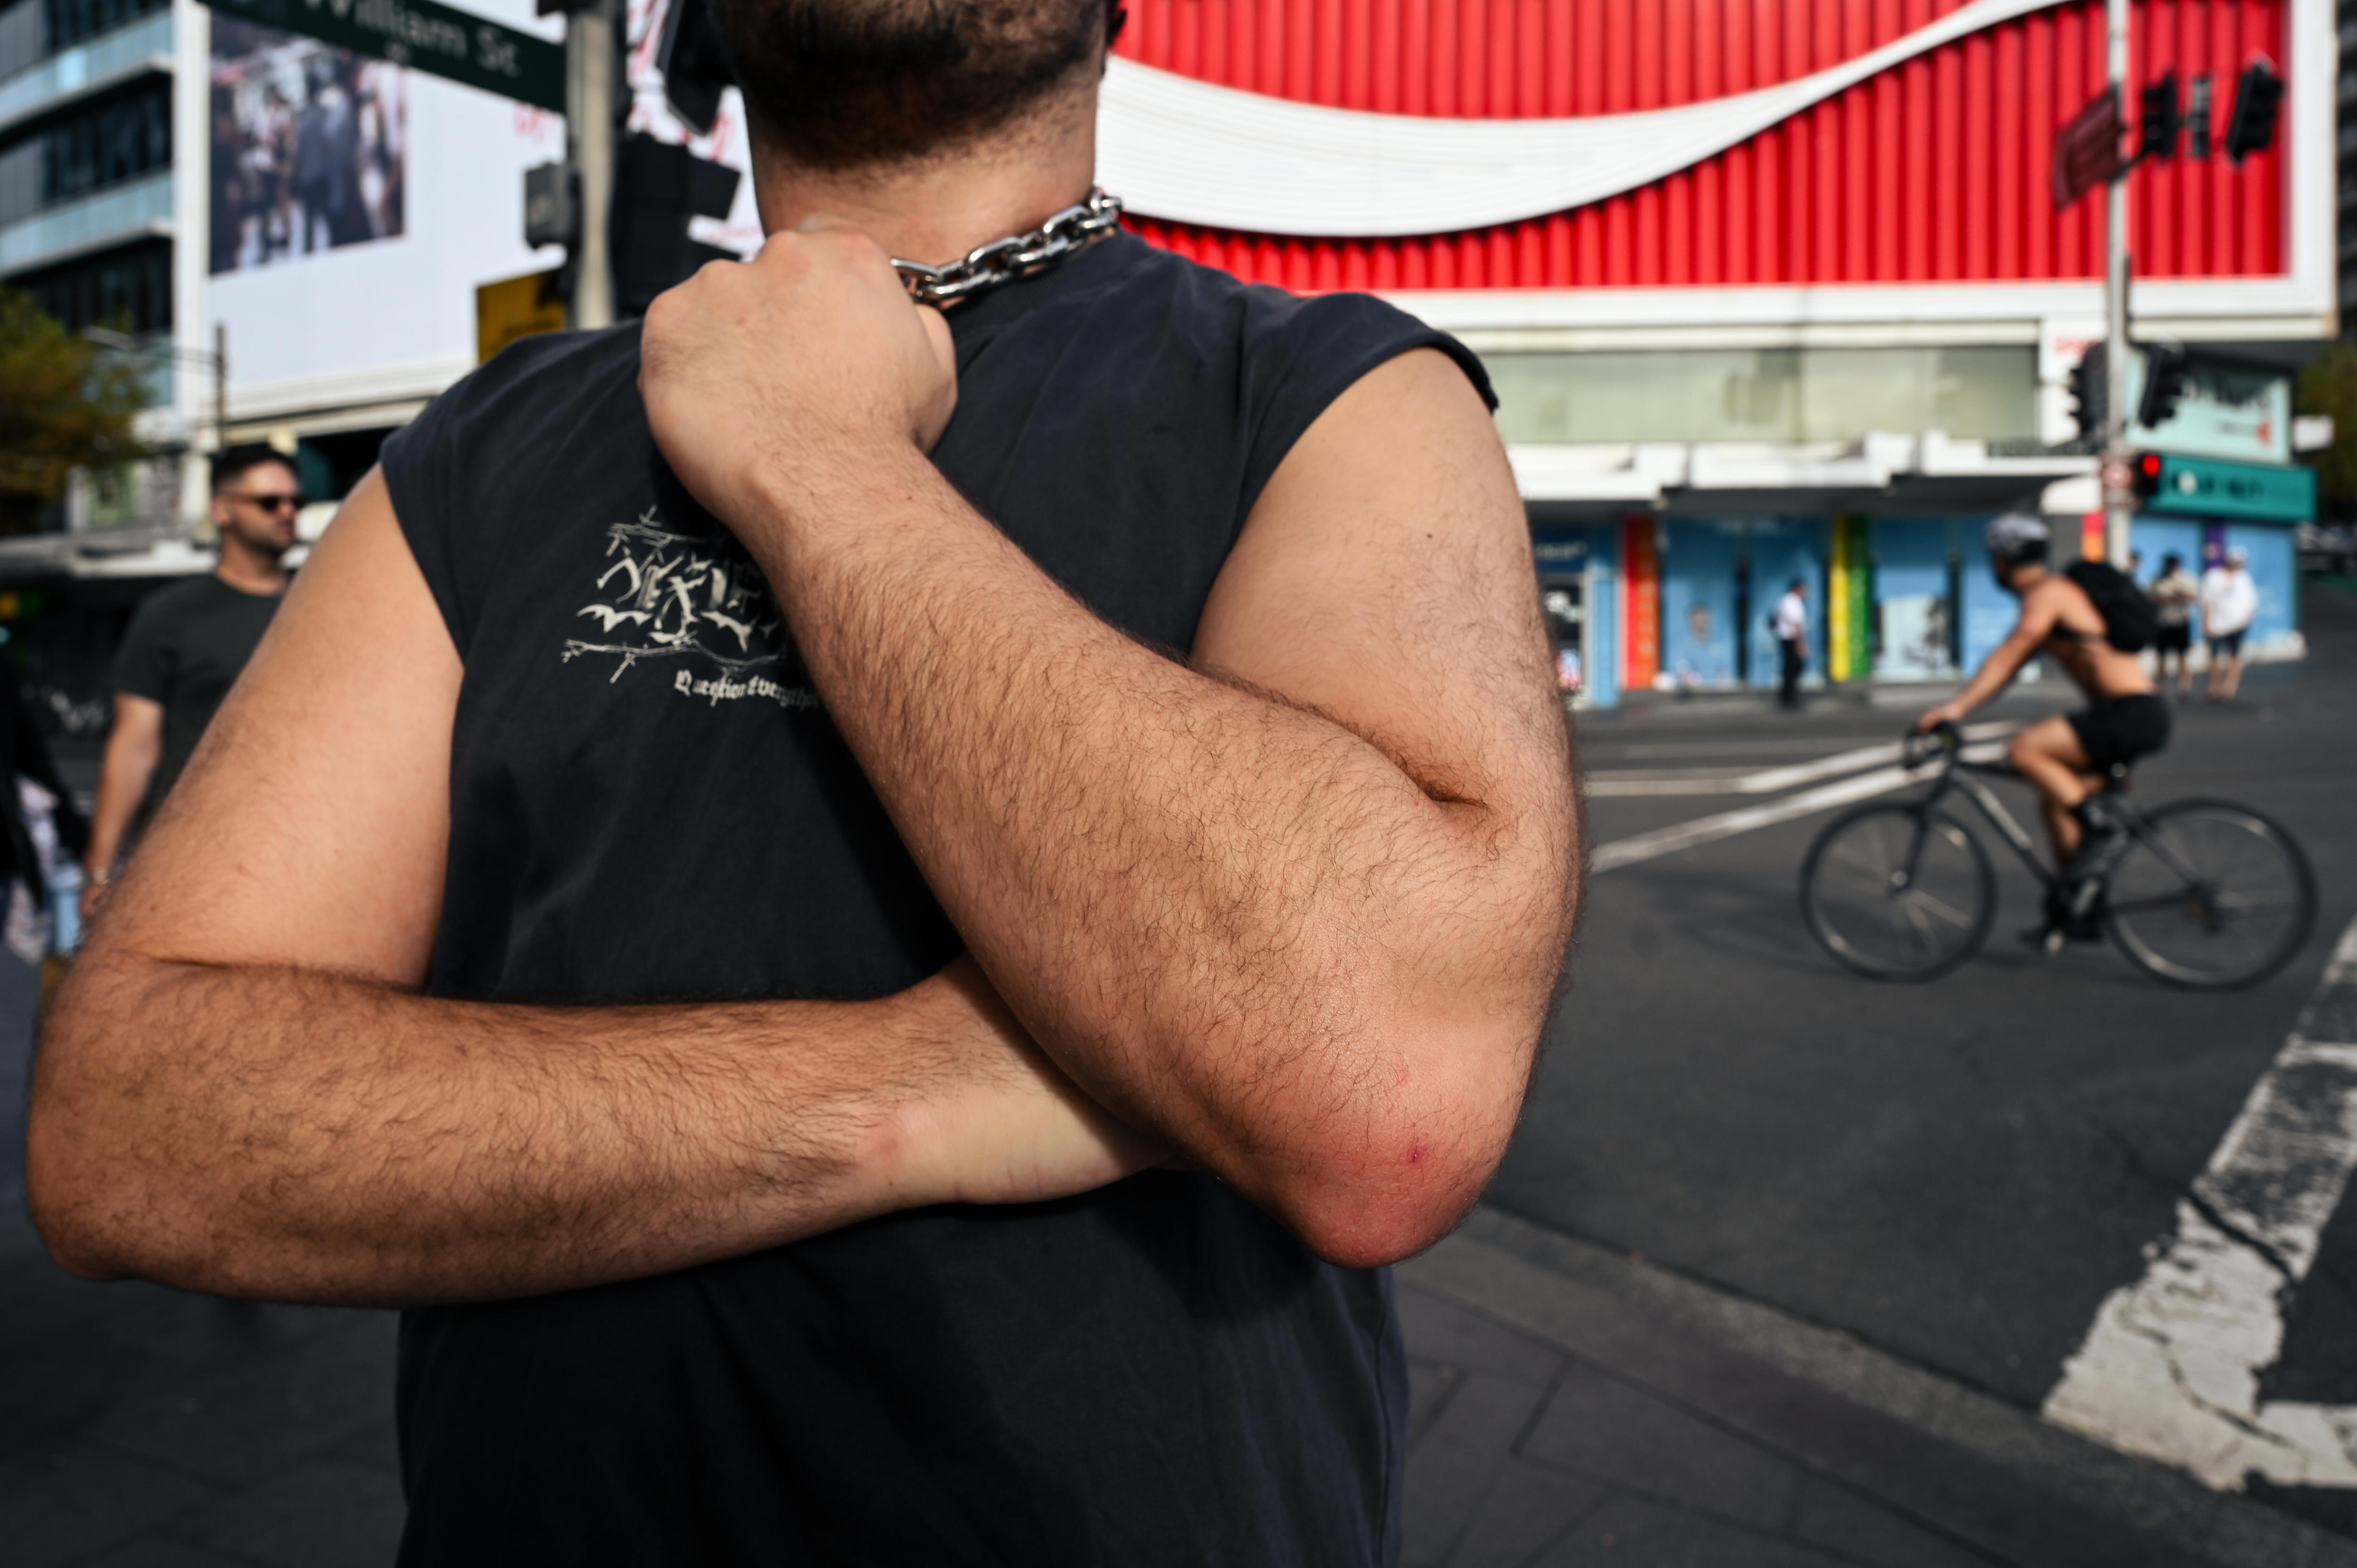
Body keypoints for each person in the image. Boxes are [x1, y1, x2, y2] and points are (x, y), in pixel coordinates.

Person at [27, 4, 1581, 1564]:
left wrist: (813, 458)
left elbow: (1386, 1098)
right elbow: (132, 1122)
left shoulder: (1323, 389)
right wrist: (908, 1092)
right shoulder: (488, 445)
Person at [1916, 515, 2167, 944]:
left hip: (2130, 713)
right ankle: (2079, 909)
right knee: (2056, 804)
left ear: (2003, 561)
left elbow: (2012, 654)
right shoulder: (2057, 594)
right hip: (2133, 714)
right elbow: (2013, 667)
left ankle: (2101, 828)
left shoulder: (2048, 593)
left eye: (1993, 558)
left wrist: (1955, 710)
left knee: (2026, 748)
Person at [80, 445, 297, 925]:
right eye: (269, 501)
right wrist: (99, 869)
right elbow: (134, 742)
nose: (287, 512)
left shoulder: (322, 603)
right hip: (190, 856)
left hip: (304, 851)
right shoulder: (172, 615)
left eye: (294, 502)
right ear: (223, 510)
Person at [2200, 544, 2258, 702]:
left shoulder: (2244, 578)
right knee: (2214, 656)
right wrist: (2207, 623)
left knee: (2235, 656)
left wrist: (2247, 618)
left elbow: (2251, 601)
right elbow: (2207, 602)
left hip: (2238, 624)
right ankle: (2214, 686)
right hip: (2217, 625)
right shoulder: (2214, 576)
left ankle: (2231, 686)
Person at [2148, 550, 2198, 698]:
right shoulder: (2158, 580)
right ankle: (2163, 684)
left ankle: (2184, 685)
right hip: (2163, 622)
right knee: (2161, 656)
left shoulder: (2186, 578)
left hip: (2181, 621)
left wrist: (2179, 595)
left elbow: (2195, 597)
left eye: (2173, 564)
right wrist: (2164, 598)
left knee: (2182, 655)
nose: (2171, 567)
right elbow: (2151, 598)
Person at [1772, 577, 1809, 709]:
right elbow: (1795, 624)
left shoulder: (1784, 601)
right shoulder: (1792, 601)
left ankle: (1787, 695)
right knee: (1794, 668)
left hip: (1787, 638)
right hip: (1791, 639)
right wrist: (1801, 643)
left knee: (1790, 667)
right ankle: (1789, 696)